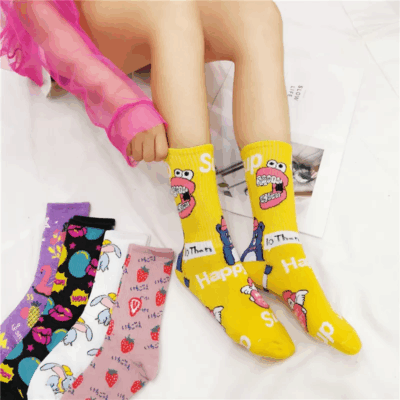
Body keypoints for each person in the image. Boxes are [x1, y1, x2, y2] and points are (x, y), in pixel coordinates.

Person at [1, 0, 361, 363]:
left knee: (258, 14)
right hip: (73, 29)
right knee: (169, 7)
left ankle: (278, 243)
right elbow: (43, 20)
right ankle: (205, 251)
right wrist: (122, 105)